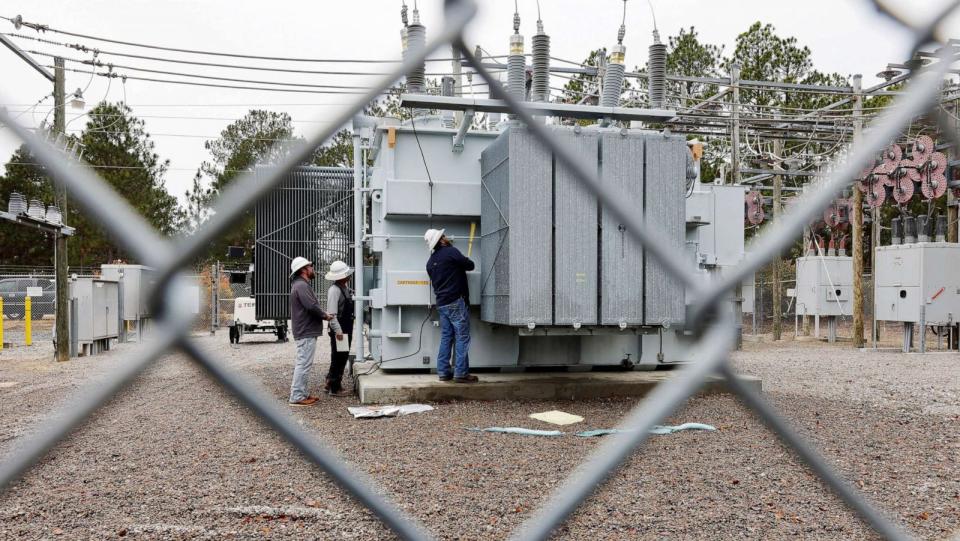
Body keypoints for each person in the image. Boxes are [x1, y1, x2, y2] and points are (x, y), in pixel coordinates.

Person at [424, 228, 478, 383]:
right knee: (462, 337)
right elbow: (470, 265)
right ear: (441, 240)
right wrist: (464, 260)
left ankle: (443, 372)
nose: (446, 237)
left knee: (447, 337)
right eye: (443, 236)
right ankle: (461, 373)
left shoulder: (430, 263)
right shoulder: (451, 252)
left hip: (441, 304)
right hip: (456, 302)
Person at [288, 256, 333, 406]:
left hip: (305, 329)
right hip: (305, 330)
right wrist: (325, 316)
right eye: (310, 266)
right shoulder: (301, 286)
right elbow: (311, 306)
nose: (312, 268)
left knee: (304, 363)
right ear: (303, 270)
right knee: (303, 364)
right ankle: (297, 396)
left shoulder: (300, 285)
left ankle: (302, 393)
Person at [324, 260, 355, 397]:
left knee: (340, 355)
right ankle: (335, 388)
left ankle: (330, 382)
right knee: (339, 357)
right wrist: (338, 331)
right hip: (340, 329)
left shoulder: (344, 288)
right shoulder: (334, 291)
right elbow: (332, 314)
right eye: (347, 274)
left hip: (346, 326)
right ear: (342, 276)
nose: (349, 276)